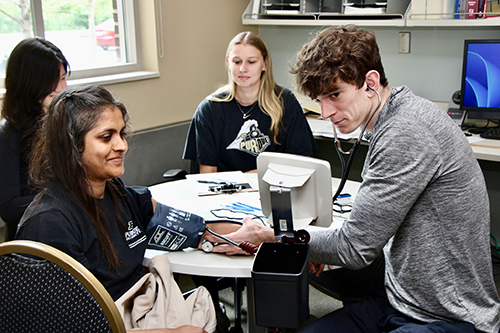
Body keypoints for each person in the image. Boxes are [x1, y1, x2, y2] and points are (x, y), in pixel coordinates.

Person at [285, 24, 500, 332]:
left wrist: (279, 236)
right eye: (319, 100)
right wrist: (313, 246)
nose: (327, 111)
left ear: (370, 82)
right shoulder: (396, 114)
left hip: (450, 317)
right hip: (400, 296)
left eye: (335, 94)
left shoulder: (405, 131)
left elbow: (354, 248)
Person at [15, 85, 264, 333]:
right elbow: (73, 326)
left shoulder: (118, 195)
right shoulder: (49, 224)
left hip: (139, 314)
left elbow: (190, 226)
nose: (122, 145)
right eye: (106, 137)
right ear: (70, 146)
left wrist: (245, 234)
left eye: (121, 134)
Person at [183, 31, 317, 173]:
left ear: (264, 64)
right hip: (226, 193)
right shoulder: (209, 109)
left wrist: (249, 179)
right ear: (228, 63)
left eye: (251, 62)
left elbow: (301, 163)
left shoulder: (285, 101)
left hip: (275, 189)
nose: (243, 69)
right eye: (237, 62)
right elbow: (207, 175)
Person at [0, 37, 69, 241]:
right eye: (51, 81)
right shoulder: (7, 136)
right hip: (33, 244)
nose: (60, 88)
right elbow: (9, 208)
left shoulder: (64, 123)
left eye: (63, 78)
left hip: (68, 231)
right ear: (29, 84)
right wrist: (68, 199)